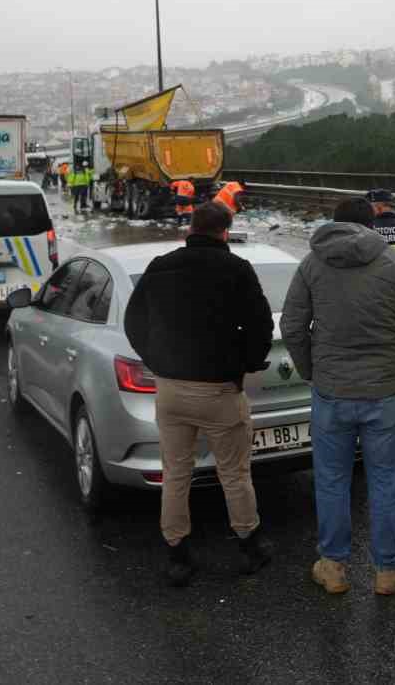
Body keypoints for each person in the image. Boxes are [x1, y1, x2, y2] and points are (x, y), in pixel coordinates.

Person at [280, 196, 395, 598]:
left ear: (334, 224)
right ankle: (390, 569)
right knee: (384, 479)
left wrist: (312, 371)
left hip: (331, 391)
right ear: (372, 223)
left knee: (331, 479)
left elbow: (293, 325)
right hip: (384, 392)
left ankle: (333, 567)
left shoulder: (312, 264)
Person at [123, 201, 275, 586]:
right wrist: (246, 363)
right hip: (220, 391)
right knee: (234, 474)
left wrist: (156, 359)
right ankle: (248, 545)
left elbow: (133, 321)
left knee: (176, 473)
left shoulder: (160, 267)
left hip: (171, 391)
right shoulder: (237, 270)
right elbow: (260, 326)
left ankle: (177, 554)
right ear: (226, 231)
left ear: (190, 227)